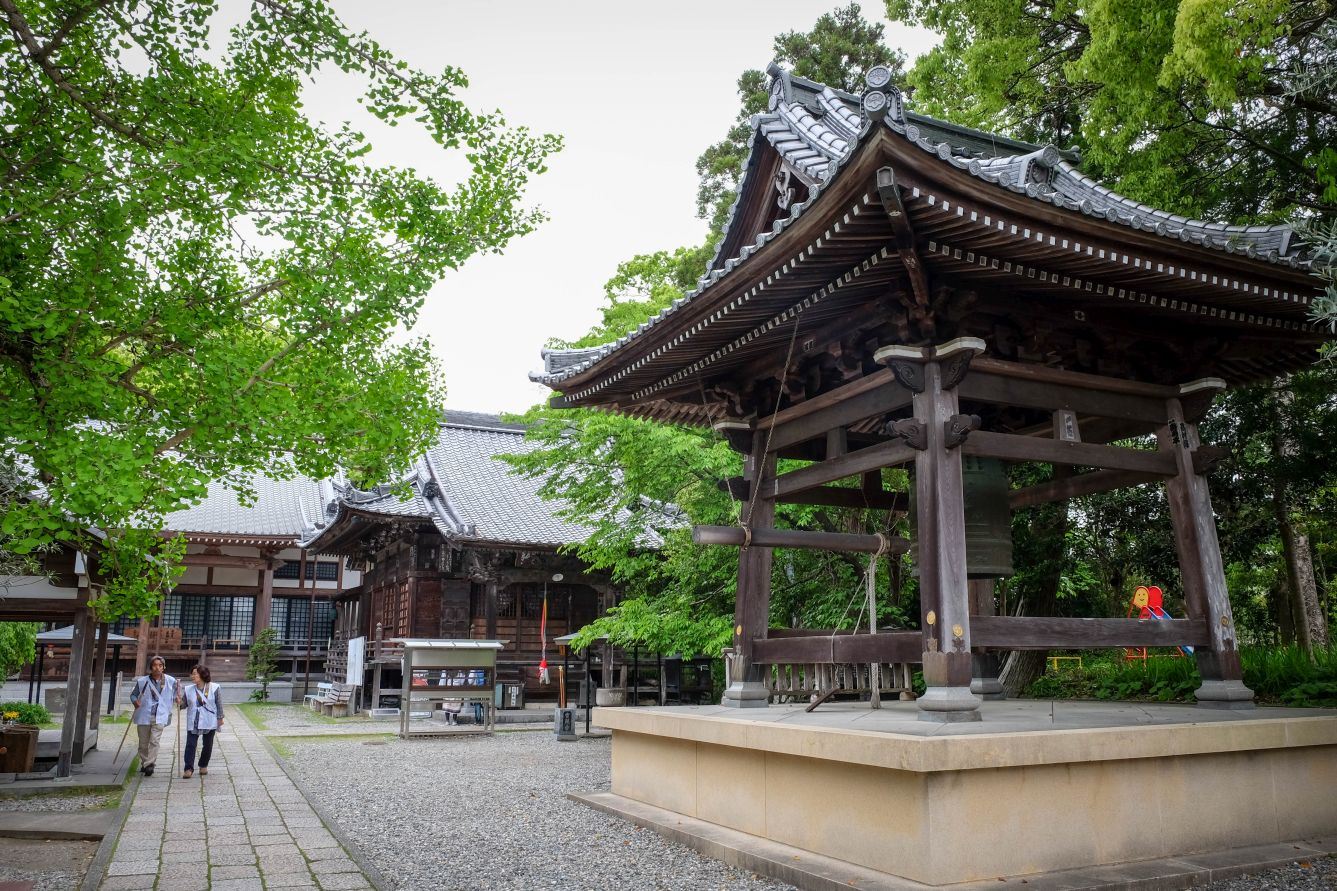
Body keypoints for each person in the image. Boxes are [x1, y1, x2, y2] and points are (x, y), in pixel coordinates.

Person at [130, 655, 178, 777]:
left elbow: (176, 695)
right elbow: (133, 695)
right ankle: (145, 762)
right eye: (155, 665)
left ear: (164, 667)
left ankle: (150, 765)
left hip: (160, 715)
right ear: (151, 667)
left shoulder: (171, 681)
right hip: (144, 715)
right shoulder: (142, 681)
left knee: (154, 741)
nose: (157, 668)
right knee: (143, 743)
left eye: (160, 665)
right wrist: (135, 701)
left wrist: (178, 698)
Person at [179, 664, 223, 779]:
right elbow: (183, 705)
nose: (192, 676)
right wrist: (178, 702)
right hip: (194, 720)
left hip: (209, 720)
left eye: (195, 674)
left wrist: (220, 718)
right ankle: (188, 768)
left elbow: (219, 704)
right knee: (190, 745)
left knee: (207, 745)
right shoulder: (188, 689)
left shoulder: (215, 687)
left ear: (203, 674)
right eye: (192, 674)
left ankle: (203, 765)